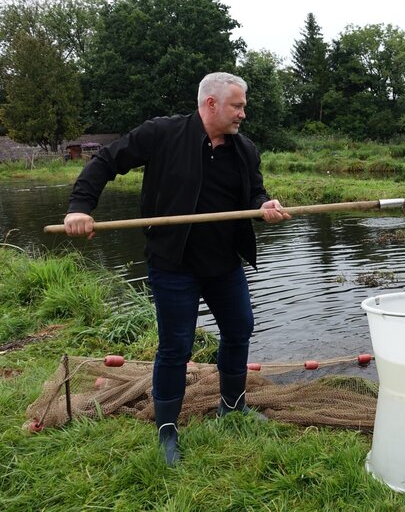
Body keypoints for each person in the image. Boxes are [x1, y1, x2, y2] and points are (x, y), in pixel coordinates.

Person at [63, 72, 291, 466]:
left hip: (223, 263)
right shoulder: (162, 134)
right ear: (211, 104)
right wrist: (80, 207)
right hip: (173, 264)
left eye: (244, 105)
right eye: (238, 105)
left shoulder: (245, 150)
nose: (243, 113)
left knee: (239, 329)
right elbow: (106, 160)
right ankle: (167, 429)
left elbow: (254, 192)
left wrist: (264, 204)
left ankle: (232, 407)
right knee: (175, 345)